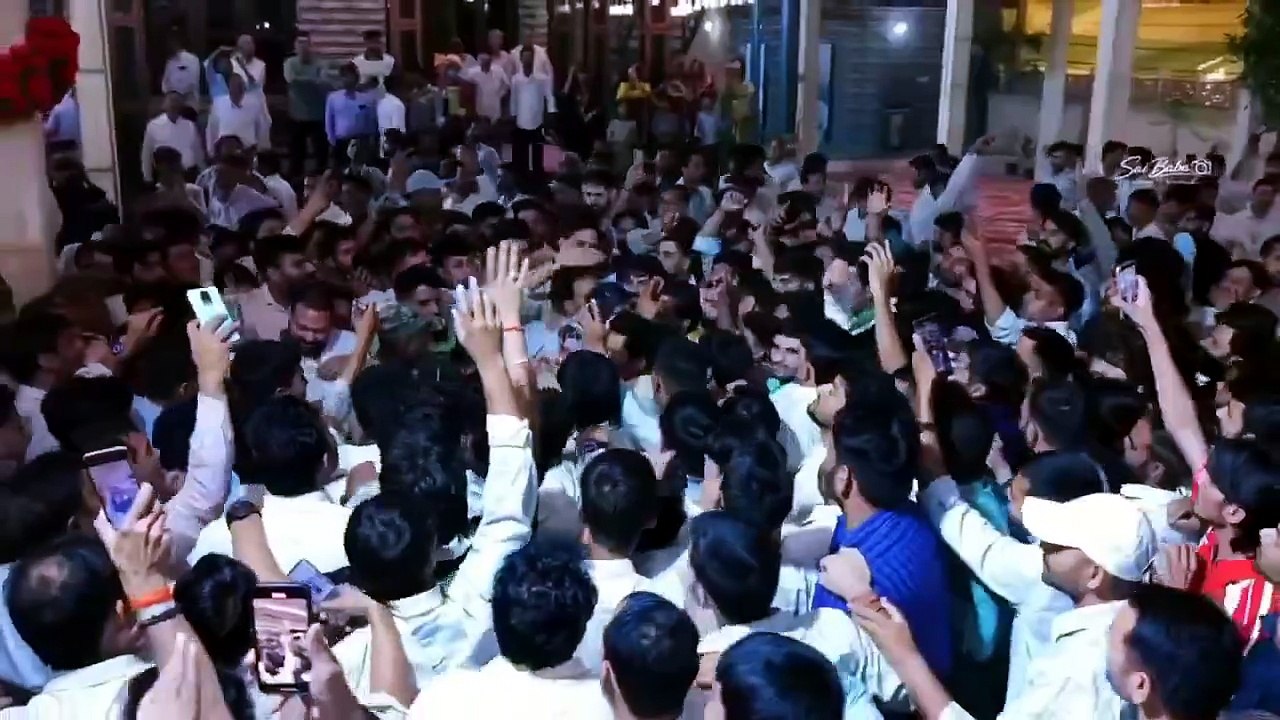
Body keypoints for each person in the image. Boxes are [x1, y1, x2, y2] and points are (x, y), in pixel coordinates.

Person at [283, 31, 332, 175]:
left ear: (311, 46)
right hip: (297, 114)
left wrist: (304, 81)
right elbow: (291, 79)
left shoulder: (321, 63)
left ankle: (321, 177)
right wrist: (313, 81)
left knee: (321, 152)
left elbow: (324, 82)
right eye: (300, 43)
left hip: (318, 114)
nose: (303, 47)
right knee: (296, 153)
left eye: (306, 43)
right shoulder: (290, 63)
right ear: (295, 47)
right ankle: (295, 179)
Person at [140, 92, 204, 183]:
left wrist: (202, 173)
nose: (174, 105)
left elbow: (198, 152)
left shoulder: (189, 125)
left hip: (188, 175)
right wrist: (147, 177)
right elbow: (147, 154)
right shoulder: (153, 126)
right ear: (164, 105)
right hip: (166, 176)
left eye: (176, 101)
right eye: (171, 101)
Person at [326, 63, 378, 169]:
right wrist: (332, 140)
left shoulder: (366, 98)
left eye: (350, 76)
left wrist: (371, 140)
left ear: (356, 78)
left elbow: (371, 120)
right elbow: (329, 120)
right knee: (340, 170)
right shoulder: (333, 97)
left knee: (360, 171)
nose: (347, 79)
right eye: (344, 76)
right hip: (341, 142)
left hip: (361, 142)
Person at [206, 74, 271, 155]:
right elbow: (211, 129)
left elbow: (262, 127)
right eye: (232, 91)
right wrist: (211, 151)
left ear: (243, 90)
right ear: (229, 90)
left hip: (247, 151)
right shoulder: (218, 103)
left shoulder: (255, 104)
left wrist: (262, 149)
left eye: (238, 90)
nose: (235, 94)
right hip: (225, 151)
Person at [160, 35, 202, 110]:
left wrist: (179, 94)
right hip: (172, 99)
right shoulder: (170, 61)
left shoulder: (192, 59)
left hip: (189, 99)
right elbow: (165, 82)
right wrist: (169, 92)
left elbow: (193, 81)